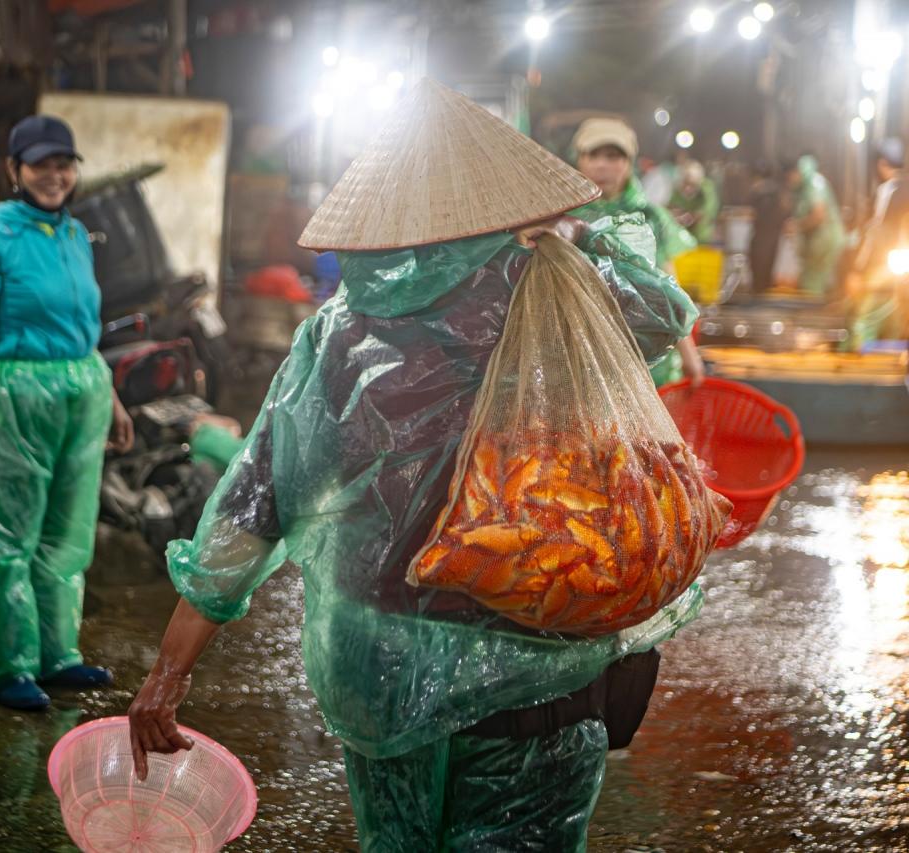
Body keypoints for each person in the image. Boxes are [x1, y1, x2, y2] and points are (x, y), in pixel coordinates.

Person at [128, 80, 703, 851]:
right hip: (543, 660)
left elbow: (255, 502)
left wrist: (169, 672)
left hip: (385, 675)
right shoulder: (553, 287)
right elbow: (665, 312)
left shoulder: (338, 335)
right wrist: (574, 235)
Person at [0, 115, 134, 711]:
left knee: (67, 534)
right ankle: (10, 666)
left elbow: (81, 328)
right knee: (6, 536)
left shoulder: (74, 235)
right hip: (13, 396)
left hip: (82, 392)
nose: (55, 175)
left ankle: (58, 654)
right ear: (13, 169)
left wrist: (110, 397)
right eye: (41, 163)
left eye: (64, 163)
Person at [569, 117, 705, 387]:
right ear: (579, 161)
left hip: (643, 353)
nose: (602, 165)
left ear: (629, 164)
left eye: (613, 156)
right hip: (579, 349)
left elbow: (665, 282)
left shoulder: (648, 217)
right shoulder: (562, 217)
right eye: (592, 155)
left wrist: (688, 352)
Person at [847, 139, 909, 347]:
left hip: (884, 270)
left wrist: (857, 270)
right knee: (897, 321)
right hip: (897, 272)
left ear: (882, 164)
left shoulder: (887, 191)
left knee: (864, 320)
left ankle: (864, 363)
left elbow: (874, 234)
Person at [785, 154, 846, 298]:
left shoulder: (814, 184)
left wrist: (797, 225)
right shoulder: (806, 188)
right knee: (811, 281)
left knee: (814, 284)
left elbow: (819, 214)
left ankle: (813, 315)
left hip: (824, 243)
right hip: (817, 244)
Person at [749, 161, 788, 294]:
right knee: (768, 264)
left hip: (761, 233)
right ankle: (764, 291)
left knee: (757, 264)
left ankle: (758, 292)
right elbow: (785, 210)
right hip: (774, 234)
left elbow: (753, 213)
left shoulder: (757, 191)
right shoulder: (778, 191)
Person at [669, 160, 720, 245]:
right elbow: (671, 207)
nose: (687, 188)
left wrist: (692, 217)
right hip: (682, 237)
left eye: (691, 184)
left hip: (702, 238)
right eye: (685, 183)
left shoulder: (707, 189)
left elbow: (707, 211)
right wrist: (676, 214)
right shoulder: (677, 190)